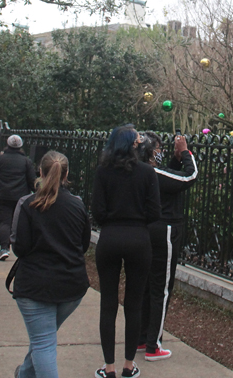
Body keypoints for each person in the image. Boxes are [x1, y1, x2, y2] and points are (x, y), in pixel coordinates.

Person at [10, 151, 91, 378]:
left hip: (35, 285)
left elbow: (19, 247)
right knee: (43, 338)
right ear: (67, 175)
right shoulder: (77, 205)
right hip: (71, 286)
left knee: (43, 341)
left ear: (40, 172)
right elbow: (83, 244)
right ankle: (24, 374)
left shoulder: (27, 204)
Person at [92, 125, 160, 378]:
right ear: (134, 145)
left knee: (108, 303)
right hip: (138, 239)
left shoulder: (103, 172)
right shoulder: (146, 173)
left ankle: (108, 367)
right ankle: (128, 366)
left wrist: (113, 218)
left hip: (110, 237)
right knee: (133, 304)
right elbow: (155, 212)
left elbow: (97, 211)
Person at [136, 131, 198, 362]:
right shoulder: (151, 172)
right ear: (150, 153)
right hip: (165, 231)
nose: (160, 153)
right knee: (161, 288)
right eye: (159, 150)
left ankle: (143, 337)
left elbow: (170, 178)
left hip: (150, 230)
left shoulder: (144, 171)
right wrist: (185, 152)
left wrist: (174, 159)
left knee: (146, 287)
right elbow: (189, 177)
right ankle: (154, 344)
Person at [0, 134, 37, 262]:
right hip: (19, 196)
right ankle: (19, 247)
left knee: (4, 222)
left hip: (0, 195)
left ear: (7, 145)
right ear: (20, 146)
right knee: (17, 222)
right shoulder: (26, 162)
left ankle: (4, 248)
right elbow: (32, 181)